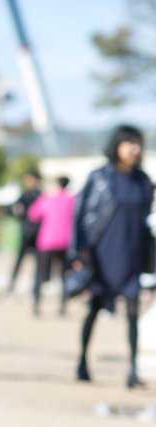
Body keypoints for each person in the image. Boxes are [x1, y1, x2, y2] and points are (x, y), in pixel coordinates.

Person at [72, 124, 154, 388]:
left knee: (132, 313)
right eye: (129, 143)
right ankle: (83, 361)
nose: (135, 149)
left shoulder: (143, 181)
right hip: (103, 255)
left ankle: (132, 370)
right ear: (116, 146)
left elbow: (148, 223)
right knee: (94, 309)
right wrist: (79, 252)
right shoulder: (99, 178)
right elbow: (81, 215)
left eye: (138, 143)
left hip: (132, 255)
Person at [27, 176, 74, 317]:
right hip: (66, 242)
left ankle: (36, 304)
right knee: (64, 276)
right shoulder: (72, 200)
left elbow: (33, 215)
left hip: (47, 242)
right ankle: (62, 306)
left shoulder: (47, 199)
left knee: (40, 274)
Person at [5, 171, 42, 297]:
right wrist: (21, 217)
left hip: (35, 232)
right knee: (20, 261)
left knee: (36, 263)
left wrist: (21, 217)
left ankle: (35, 290)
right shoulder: (29, 195)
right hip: (29, 231)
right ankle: (11, 287)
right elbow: (10, 209)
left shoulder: (37, 195)